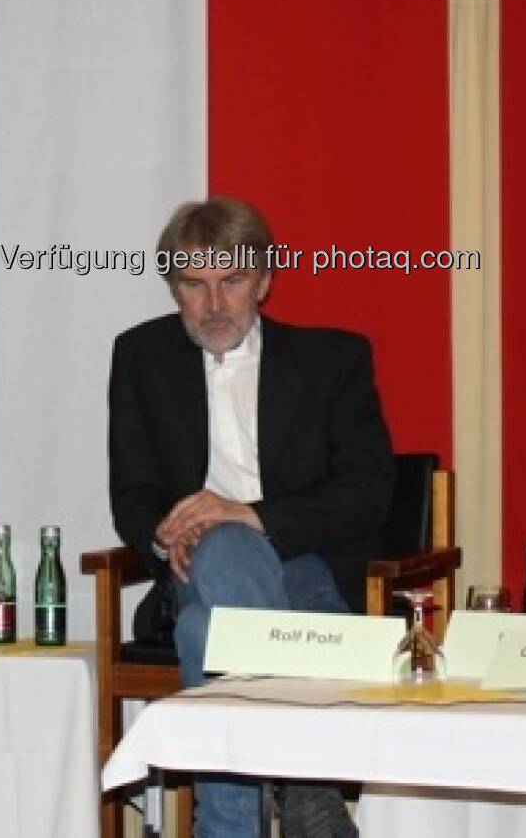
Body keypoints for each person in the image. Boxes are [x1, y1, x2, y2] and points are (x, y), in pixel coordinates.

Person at [109, 197, 396, 838]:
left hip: (306, 564)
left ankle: (230, 823)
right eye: (195, 284)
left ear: (263, 281)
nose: (214, 305)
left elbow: (369, 492)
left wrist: (248, 514)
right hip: (200, 564)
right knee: (223, 552)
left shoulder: (333, 361)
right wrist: (164, 531)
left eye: (231, 281)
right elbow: (132, 492)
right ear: (173, 288)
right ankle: (307, 784)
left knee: (203, 634)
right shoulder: (141, 356)